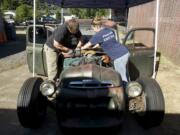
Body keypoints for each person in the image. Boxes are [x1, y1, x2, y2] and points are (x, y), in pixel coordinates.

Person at [81, 16, 130, 87]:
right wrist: (95, 47)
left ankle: (125, 92)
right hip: (125, 52)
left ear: (96, 26)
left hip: (118, 57)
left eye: (93, 28)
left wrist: (81, 48)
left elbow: (88, 45)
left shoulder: (97, 35)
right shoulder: (108, 30)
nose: (93, 30)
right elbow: (104, 40)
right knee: (126, 73)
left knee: (121, 77)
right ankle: (131, 87)